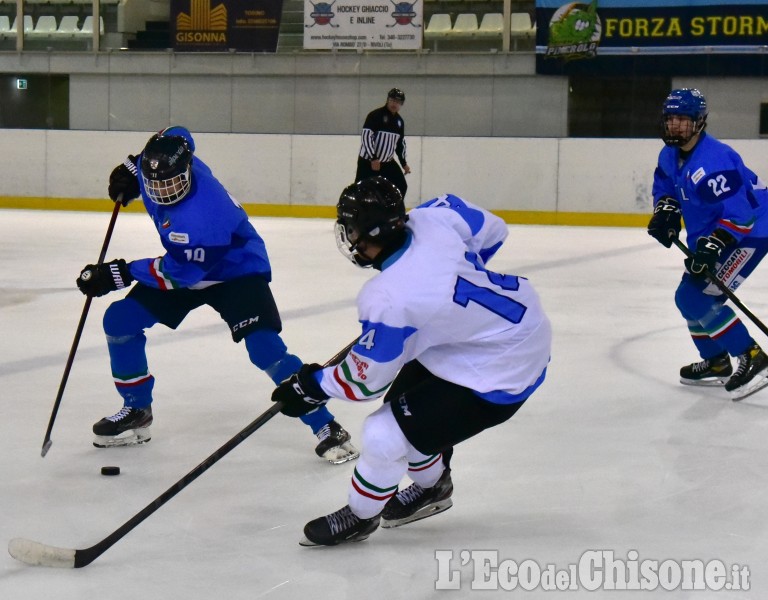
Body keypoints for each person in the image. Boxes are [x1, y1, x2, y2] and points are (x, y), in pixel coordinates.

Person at [271, 176, 552, 546]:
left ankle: (361, 516)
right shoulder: (434, 216)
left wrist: (313, 386)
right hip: (505, 331)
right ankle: (434, 486)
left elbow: (364, 382)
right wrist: (449, 287)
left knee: (383, 434)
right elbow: (494, 230)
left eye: (352, 230)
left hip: (500, 369)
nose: (350, 238)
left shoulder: (390, 298)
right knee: (405, 412)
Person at [75, 125, 359, 464]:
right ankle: (137, 409)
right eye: (154, 184)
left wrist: (116, 273)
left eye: (170, 183)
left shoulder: (204, 216)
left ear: (188, 170)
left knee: (264, 348)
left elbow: (178, 273)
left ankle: (325, 426)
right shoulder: (172, 163)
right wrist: (133, 167)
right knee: (119, 320)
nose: (162, 192)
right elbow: (176, 133)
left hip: (235, 270)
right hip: (187, 265)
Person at [647, 88, 768, 401]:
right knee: (689, 298)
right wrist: (666, 211)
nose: (674, 126)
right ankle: (717, 362)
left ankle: (752, 355)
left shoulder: (714, 162)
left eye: (682, 120)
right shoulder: (669, 155)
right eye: (670, 119)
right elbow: (665, 184)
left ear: (699, 122)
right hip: (718, 230)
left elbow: (741, 216)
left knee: (695, 298)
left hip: (752, 231)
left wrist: (713, 246)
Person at [355, 88, 411, 199]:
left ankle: (393, 213)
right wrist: (373, 158)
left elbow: (400, 144)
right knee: (361, 190)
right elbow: (366, 137)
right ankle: (357, 214)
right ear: (388, 100)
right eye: (392, 100)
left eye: (398, 102)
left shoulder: (399, 122)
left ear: (401, 104)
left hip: (387, 163)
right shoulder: (375, 115)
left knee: (401, 186)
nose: (394, 104)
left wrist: (404, 163)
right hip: (368, 162)